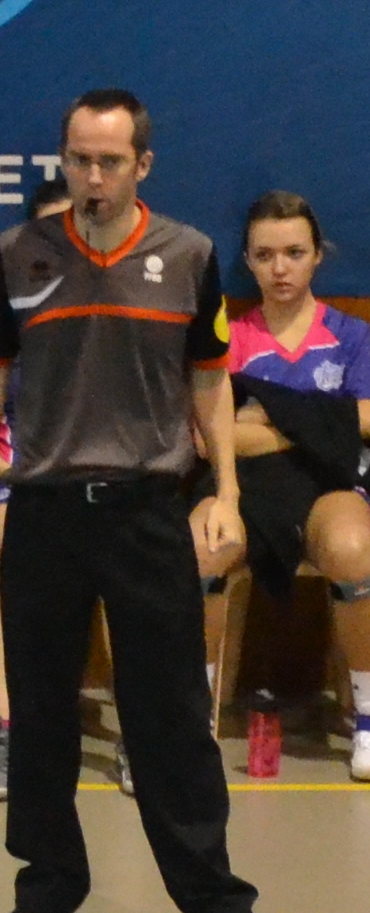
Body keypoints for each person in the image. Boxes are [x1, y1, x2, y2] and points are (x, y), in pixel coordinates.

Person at [0, 88, 292, 913]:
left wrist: (225, 490)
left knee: (169, 716)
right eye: (77, 159)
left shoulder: (188, 255)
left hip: (146, 512)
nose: (90, 177)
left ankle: (216, 905)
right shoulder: (17, 254)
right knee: (41, 713)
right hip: (45, 511)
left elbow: (208, 376)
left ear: (142, 165)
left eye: (107, 161)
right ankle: (45, 896)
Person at [188, 191, 370, 779]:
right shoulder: (229, 337)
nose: (280, 268)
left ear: (318, 256)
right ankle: (189, 723)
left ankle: (368, 718)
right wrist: (320, 422)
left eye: (294, 252)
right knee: (200, 547)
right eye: (265, 255)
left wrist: (262, 419)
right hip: (239, 489)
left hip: (326, 486)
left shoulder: (351, 337)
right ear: (248, 261)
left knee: (354, 549)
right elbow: (205, 437)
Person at [0, 177, 72, 802]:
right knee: (27, 554)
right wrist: (16, 475)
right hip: (11, 480)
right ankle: (6, 733)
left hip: (90, 483)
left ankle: (140, 738)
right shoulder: (7, 312)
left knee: (131, 559)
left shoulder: (123, 317)